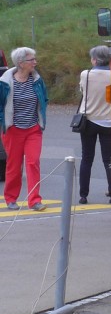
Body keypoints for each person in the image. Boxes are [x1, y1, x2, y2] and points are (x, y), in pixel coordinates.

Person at [1, 46, 49, 211]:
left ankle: (34, 200)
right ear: (21, 63)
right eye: (31, 60)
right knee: (14, 166)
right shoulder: (5, 82)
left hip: (33, 129)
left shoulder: (37, 80)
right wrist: (4, 122)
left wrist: (41, 119)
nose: (35, 62)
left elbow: (45, 98)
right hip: (13, 130)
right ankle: (11, 198)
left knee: (33, 162)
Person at [77, 45, 111, 205]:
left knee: (87, 158)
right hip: (109, 120)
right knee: (108, 159)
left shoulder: (85, 75)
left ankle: (83, 195)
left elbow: (82, 91)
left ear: (94, 60)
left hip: (89, 120)